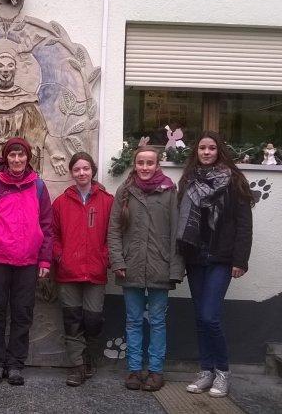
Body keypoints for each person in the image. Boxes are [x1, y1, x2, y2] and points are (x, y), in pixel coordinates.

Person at [0, 137, 53, 386]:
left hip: (28, 262)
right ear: (6, 158)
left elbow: (48, 227)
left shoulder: (38, 187)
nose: (17, 160)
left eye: (21, 155)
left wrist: (45, 261)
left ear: (28, 158)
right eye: (12, 156)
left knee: (22, 314)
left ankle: (16, 364)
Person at [177, 131, 253, 398]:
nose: (206, 152)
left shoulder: (234, 181)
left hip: (221, 258)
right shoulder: (188, 180)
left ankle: (222, 372)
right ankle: (205, 370)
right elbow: (181, 219)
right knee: (200, 317)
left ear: (219, 151)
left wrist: (240, 260)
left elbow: (244, 224)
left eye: (211, 148)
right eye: (202, 148)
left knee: (210, 316)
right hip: (196, 257)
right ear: (196, 152)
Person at [107, 145, 184, 392]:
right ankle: (133, 370)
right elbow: (114, 230)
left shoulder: (170, 191)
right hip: (131, 267)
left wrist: (175, 268)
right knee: (133, 321)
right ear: (135, 164)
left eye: (150, 163)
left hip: (160, 266)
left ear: (158, 164)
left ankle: (156, 372)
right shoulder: (125, 191)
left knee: (158, 321)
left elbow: (176, 233)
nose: (145, 168)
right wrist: (118, 260)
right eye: (140, 163)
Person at [52, 152, 113, 387]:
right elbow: (53, 234)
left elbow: (113, 233)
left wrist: (105, 257)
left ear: (93, 170)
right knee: (72, 320)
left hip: (96, 272)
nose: (81, 173)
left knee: (93, 319)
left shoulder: (107, 201)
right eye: (77, 169)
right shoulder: (61, 202)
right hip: (68, 272)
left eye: (85, 168)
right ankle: (77, 366)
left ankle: (88, 356)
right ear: (71, 173)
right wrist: (60, 256)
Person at [0, 52, 66, 183]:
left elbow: (39, 131)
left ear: (15, 70)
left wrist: (54, 152)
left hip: (16, 158)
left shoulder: (25, 100)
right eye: (0, 66)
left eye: (10, 66)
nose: (5, 70)